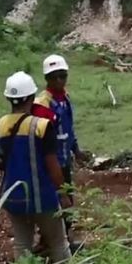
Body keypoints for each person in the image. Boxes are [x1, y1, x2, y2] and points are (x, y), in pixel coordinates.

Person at [0, 71, 71, 263]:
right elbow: (52, 165)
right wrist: (64, 193)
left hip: (13, 196)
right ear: (32, 97)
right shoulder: (42, 126)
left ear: (8, 98)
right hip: (43, 196)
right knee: (58, 243)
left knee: (22, 245)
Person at [32, 54, 84, 248]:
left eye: (62, 76)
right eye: (54, 77)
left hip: (64, 159)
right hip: (50, 161)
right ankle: (49, 241)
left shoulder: (65, 97)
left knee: (68, 198)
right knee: (54, 200)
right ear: (47, 79)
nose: (59, 81)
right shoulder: (42, 105)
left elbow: (68, 128)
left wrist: (76, 149)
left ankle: (64, 238)